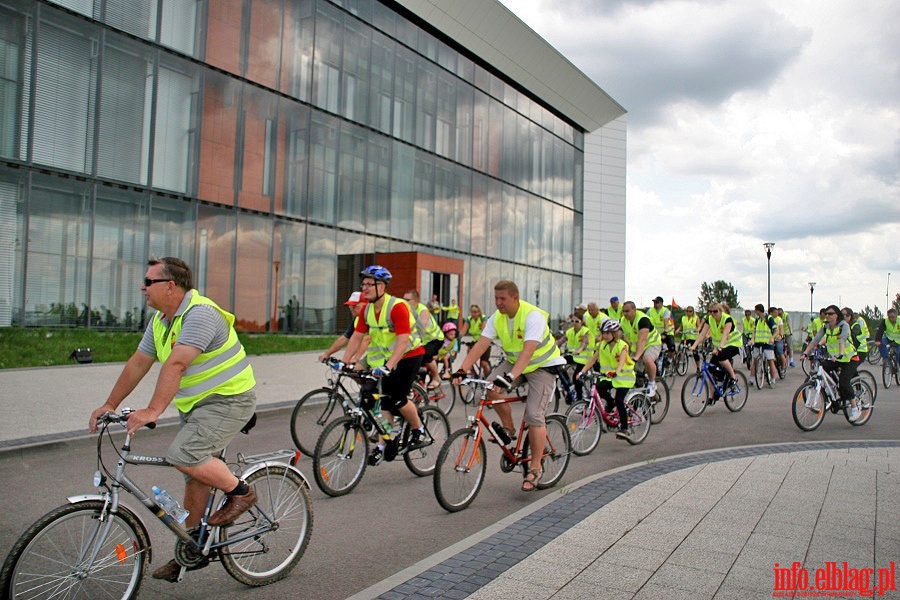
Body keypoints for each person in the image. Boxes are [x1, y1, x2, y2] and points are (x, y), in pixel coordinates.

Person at [88, 257, 257, 582]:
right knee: (195, 475)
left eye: (149, 281)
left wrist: (152, 411)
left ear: (170, 285)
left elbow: (176, 364)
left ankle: (243, 492)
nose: (143, 287)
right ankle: (192, 548)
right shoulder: (161, 321)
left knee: (184, 455)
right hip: (196, 405)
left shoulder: (200, 314)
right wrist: (110, 403)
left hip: (230, 399)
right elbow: (140, 362)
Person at [453, 280, 566, 492]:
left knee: (534, 415)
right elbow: (481, 345)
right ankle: (509, 428)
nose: (498, 303)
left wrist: (510, 377)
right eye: (496, 298)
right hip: (516, 363)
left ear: (515, 297)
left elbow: (528, 351)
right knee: (489, 389)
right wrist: (462, 368)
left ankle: (535, 468)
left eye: (502, 299)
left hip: (542, 366)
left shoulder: (533, 316)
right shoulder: (497, 318)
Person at [341, 266, 427, 465]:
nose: (365, 288)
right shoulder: (368, 310)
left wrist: (388, 365)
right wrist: (345, 362)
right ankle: (384, 444)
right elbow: (356, 336)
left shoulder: (397, 307)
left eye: (370, 284)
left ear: (382, 286)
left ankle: (418, 430)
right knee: (384, 403)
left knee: (396, 399)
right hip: (387, 359)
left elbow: (403, 341)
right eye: (363, 284)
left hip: (409, 356)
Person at [577, 319, 635, 440]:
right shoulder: (602, 345)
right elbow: (593, 359)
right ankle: (610, 402)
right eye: (603, 333)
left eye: (608, 333)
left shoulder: (622, 345)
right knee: (599, 389)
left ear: (615, 333)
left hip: (624, 378)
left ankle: (625, 428)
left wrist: (616, 372)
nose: (605, 335)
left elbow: (622, 360)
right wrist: (582, 371)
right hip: (609, 377)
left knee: (620, 400)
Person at [802, 304, 861, 420]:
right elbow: (815, 340)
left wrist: (840, 353)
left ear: (837, 315)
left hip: (849, 358)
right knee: (822, 368)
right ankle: (832, 393)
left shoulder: (844, 326)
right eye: (826, 313)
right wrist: (805, 353)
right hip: (835, 358)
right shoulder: (826, 327)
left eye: (830, 314)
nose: (827, 315)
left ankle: (855, 408)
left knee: (844, 382)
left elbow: (842, 340)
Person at [691, 301, 741, 393]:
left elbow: (725, 335)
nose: (712, 314)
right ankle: (712, 396)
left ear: (721, 311)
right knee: (710, 370)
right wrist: (694, 346)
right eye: (710, 311)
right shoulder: (710, 319)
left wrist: (719, 348)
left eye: (715, 311)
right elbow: (702, 334)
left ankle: (734, 377)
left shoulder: (727, 319)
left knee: (721, 357)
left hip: (733, 344)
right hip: (720, 346)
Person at [403, 289, 445, 390]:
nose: (404, 302)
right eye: (403, 299)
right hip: (420, 341)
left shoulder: (422, 310)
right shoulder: (405, 310)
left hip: (434, 338)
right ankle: (419, 388)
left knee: (426, 356)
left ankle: (436, 377)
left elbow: (421, 328)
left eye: (407, 300)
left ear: (416, 300)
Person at [620, 301, 661, 395]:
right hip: (636, 347)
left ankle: (652, 383)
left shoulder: (642, 319)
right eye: (623, 311)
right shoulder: (622, 320)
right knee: (630, 369)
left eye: (627, 311)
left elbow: (642, 340)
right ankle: (639, 392)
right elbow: (620, 335)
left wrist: (637, 356)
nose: (625, 314)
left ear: (634, 310)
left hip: (652, 343)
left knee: (647, 359)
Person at [318, 291, 368, 365]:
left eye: (354, 306)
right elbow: (345, 337)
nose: (351, 308)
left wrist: (356, 358)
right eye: (350, 306)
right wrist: (327, 354)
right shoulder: (357, 319)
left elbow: (366, 339)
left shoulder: (369, 317)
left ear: (366, 305)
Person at [560, 314, 595, 402]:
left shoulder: (585, 331)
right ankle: (568, 383)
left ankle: (579, 399)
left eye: (577, 321)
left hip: (584, 359)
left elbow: (584, 343)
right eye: (572, 321)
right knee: (558, 363)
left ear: (582, 322)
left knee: (577, 377)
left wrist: (579, 350)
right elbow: (561, 341)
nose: (574, 323)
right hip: (574, 356)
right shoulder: (570, 331)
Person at [459, 304, 491, 376]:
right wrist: (457, 338)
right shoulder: (469, 319)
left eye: (476, 312)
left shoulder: (483, 318)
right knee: (469, 356)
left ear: (479, 312)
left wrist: (480, 342)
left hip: (485, 342)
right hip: (474, 341)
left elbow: (484, 331)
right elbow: (463, 331)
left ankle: (488, 378)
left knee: (484, 363)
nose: (474, 314)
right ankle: (472, 371)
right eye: (472, 312)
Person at [750, 303, 777, 386]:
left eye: (755, 310)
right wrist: (752, 339)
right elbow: (754, 330)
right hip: (758, 343)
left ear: (758, 310)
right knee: (754, 360)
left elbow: (776, 330)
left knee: (770, 361)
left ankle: (773, 379)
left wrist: (772, 338)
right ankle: (752, 378)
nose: (755, 312)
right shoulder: (757, 319)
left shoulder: (769, 319)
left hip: (767, 343)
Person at [648, 296, 676, 362]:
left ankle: (670, 359)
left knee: (672, 347)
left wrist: (665, 332)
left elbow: (666, 322)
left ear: (661, 303)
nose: (655, 304)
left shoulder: (665, 311)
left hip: (667, 332)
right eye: (654, 302)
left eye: (657, 302)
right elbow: (646, 320)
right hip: (656, 333)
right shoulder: (650, 311)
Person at [675, 306, 701, 372]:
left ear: (693, 312)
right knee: (680, 350)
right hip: (685, 336)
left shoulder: (696, 318)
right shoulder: (684, 318)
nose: (688, 312)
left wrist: (696, 330)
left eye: (690, 311)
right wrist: (677, 330)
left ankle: (698, 368)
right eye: (687, 311)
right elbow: (681, 326)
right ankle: (677, 365)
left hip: (693, 337)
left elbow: (699, 327)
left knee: (695, 353)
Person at [770, 306, 787, 376]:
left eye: (777, 312)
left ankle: (783, 367)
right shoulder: (768, 319)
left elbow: (781, 329)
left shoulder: (779, 319)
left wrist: (781, 336)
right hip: (770, 339)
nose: (777, 314)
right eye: (775, 312)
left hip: (777, 339)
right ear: (771, 313)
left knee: (780, 352)